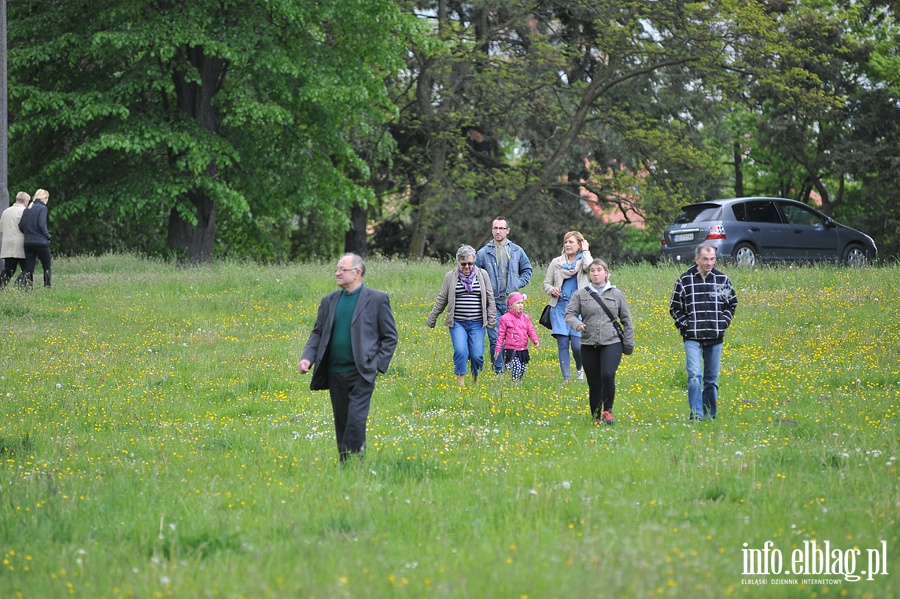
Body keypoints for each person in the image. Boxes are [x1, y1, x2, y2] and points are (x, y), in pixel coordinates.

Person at [298, 253, 398, 464]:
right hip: (335, 373)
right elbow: (317, 333)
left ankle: (357, 462)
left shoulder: (377, 299)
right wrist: (308, 358)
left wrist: (376, 365)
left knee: (356, 421)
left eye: (342, 269)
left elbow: (390, 337)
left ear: (357, 273)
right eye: (337, 269)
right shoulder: (329, 301)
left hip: (362, 372)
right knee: (342, 421)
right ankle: (346, 464)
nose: (337, 273)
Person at [669, 244, 738, 421]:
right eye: (705, 259)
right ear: (697, 259)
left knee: (711, 381)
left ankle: (709, 415)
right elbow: (675, 308)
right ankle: (696, 415)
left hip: (715, 338)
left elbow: (732, 303)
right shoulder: (685, 280)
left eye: (712, 259)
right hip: (692, 337)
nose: (709, 263)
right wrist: (686, 325)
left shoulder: (722, 279)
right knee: (694, 376)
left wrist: (723, 323)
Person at [565, 258, 634, 425]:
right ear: (589, 275)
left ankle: (607, 412)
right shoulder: (581, 294)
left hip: (612, 342)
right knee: (594, 382)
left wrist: (629, 344)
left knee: (608, 374)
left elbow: (626, 320)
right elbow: (569, 314)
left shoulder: (616, 294)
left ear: (606, 273)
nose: (595, 273)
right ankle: (595, 417)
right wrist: (577, 324)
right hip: (589, 343)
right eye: (592, 271)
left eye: (599, 270)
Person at [427, 245, 497, 387]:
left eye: (470, 263)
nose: (467, 267)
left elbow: (490, 298)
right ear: (458, 262)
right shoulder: (450, 277)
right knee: (460, 351)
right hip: (457, 322)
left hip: (477, 323)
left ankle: (475, 379)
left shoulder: (482, 275)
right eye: (463, 263)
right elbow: (442, 298)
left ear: (474, 262)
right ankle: (461, 384)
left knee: (477, 355)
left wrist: (491, 320)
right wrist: (432, 318)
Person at [475, 216, 533, 374]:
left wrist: (517, 284)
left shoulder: (517, 251)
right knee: (495, 338)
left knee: (514, 337)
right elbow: (474, 275)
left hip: (512, 303)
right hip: (491, 303)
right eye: (495, 228)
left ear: (508, 231)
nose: (498, 231)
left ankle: (513, 367)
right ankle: (498, 371)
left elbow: (528, 270)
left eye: (501, 228)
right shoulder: (483, 253)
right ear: (492, 230)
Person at [542, 230, 593, 381]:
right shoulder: (556, 263)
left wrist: (586, 251)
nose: (568, 245)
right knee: (563, 344)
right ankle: (567, 379)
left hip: (579, 309)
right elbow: (546, 283)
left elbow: (591, 268)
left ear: (579, 244)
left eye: (571, 242)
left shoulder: (584, 261)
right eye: (566, 242)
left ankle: (579, 367)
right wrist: (552, 290)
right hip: (559, 308)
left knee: (577, 346)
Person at [494, 292, 540, 382]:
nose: (520, 305)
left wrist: (535, 340)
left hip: (523, 349)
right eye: (518, 303)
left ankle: (519, 381)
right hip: (511, 349)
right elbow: (501, 335)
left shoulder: (525, 318)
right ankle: (515, 383)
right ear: (511, 305)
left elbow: (530, 330)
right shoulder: (505, 318)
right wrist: (498, 349)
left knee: (523, 368)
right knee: (516, 367)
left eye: (522, 303)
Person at [18, 188, 52, 288]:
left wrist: (29, 234)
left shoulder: (27, 208)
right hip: (41, 243)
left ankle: (27, 287)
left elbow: (21, 226)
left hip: (28, 243)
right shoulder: (42, 208)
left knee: (29, 268)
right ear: (44, 198)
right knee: (46, 266)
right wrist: (47, 236)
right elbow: (41, 224)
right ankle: (47, 287)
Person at [0, 192, 30, 287]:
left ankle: (1, 286)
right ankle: (22, 286)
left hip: (7, 244)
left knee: (8, 270)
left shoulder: (6, 211)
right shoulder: (25, 211)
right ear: (25, 201)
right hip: (21, 244)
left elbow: (1, 228)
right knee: (27, 268)